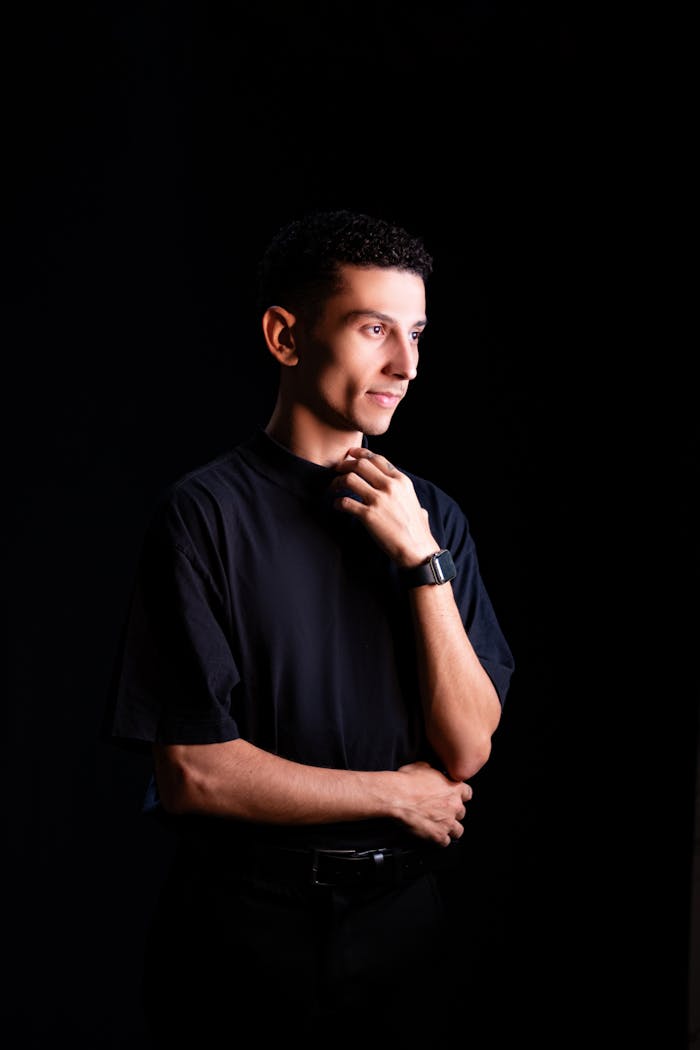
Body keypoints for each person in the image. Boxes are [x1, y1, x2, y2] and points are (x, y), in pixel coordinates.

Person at [108, 208, 515, 1046]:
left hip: (407, 926)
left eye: (417, 333)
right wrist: (398, 795)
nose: (406, 365)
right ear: (286, 337)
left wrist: (421, 560)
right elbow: (196, 774)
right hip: (246, 930)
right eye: (375, 329)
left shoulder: (432, 517)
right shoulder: (202, 515)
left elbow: (469, 748)